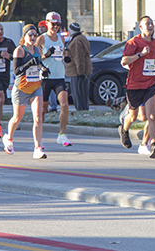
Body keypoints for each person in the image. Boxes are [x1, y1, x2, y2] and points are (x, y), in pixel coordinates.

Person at [119, 16, 155, 159]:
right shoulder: (133, 42)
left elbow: (154, 57)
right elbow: (124, 61)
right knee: (133, 116)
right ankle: (124, 128)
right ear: (140, 27)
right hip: (135, 84)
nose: (150, 26)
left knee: (152, 115)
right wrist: (140, 54)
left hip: (150, 83)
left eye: (152, 23)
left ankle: (153, 144)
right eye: (147, 24)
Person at [8, 24, 49, 159]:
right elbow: (16, 71)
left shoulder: (38, 49)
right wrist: (28, 64)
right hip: (21, 88)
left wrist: (44, 69)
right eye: (29, 35)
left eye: (34, 35)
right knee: (17, 118)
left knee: (38, 117)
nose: (32, 37)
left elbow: (39, 63)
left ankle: (37, 148)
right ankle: (9, 138)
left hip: (35, 87)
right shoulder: (19, 50)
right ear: (24, 37)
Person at [35, 12, 73, 146]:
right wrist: (46, 55)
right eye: (53, 24)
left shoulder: (61, 38)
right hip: (46, 77)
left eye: (58, 24)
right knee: (43, 109)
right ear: (47, 23)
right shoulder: (41, 39)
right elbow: (36, 58)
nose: (56, 27)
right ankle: (39, 136)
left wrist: (65, 58)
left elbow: (62, 53)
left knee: (64, 104)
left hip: (59, 77)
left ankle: (62, 134)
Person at [65, 22, 92, 112]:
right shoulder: (82, 38)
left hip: (77, 72)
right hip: (84, 71)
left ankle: (80, 110)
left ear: (71, 30)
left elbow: (79, 57)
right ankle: (84, 110)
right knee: (83, 93)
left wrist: (80, 72)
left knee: (78, 94)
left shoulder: (76, 41)